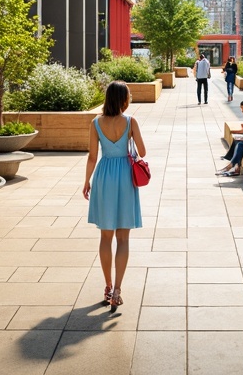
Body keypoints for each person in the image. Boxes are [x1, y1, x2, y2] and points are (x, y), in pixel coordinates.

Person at [83, 80, 146, 312]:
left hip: (104, 175)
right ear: (124, 100)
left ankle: (107, 287)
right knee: (123, 239)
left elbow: (92, 156)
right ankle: (118, 290)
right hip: (125, 178)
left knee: (105, 237)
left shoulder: (95, 123)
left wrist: (86, 181)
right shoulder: (130, 122)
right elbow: (143, 151)